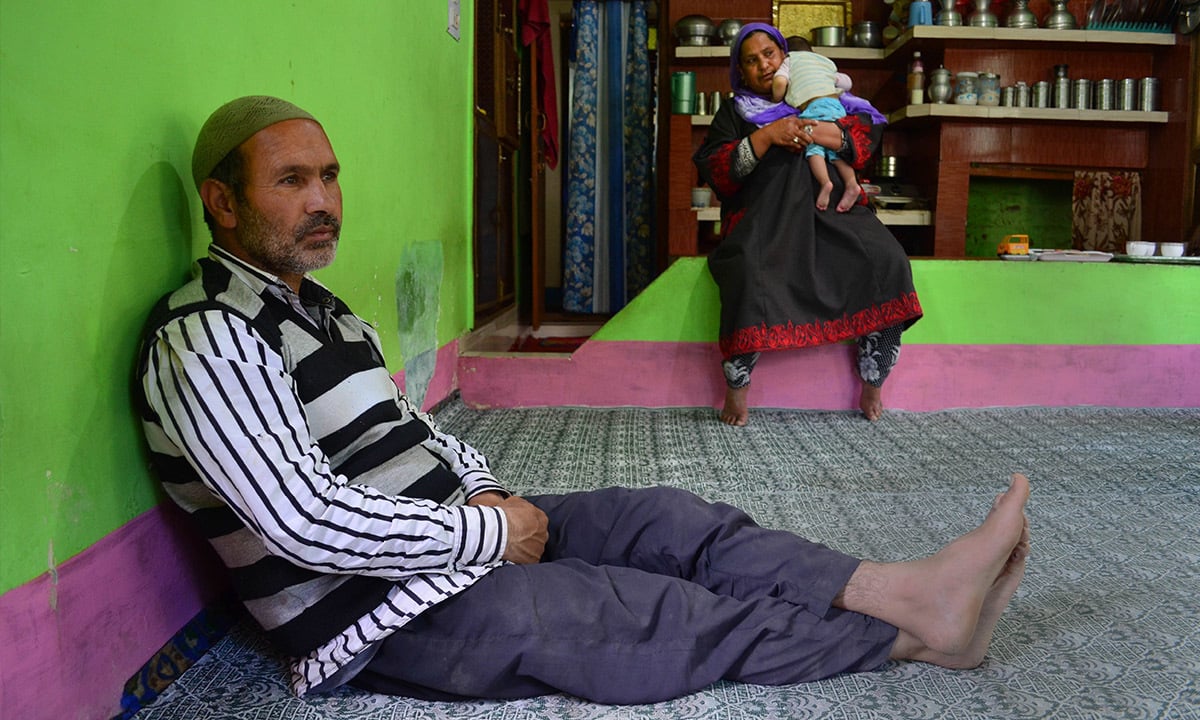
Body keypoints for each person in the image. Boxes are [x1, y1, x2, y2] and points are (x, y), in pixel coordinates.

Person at [136, 95, 1030, 705]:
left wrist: (484, 493)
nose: (323, 201)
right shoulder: (206, 335)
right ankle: (915, 639)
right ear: (221, 202)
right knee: (640, 614)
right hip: (377, 618)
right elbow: (303, 521)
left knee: (671, 524)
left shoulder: (323, 312)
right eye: (291, 182)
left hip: (454, 533)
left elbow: (418, 434)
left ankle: (902, 591)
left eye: (328, 176)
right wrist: (490, 534)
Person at [694, 24, 923, 426]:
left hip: (832, 212)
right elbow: (719, 170)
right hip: (766, 219)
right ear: (741, 71)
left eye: (770, 53)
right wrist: (767, 135)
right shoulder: (735, 112)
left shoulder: (819, 95)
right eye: (751, 60)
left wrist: (813, 129)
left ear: (785, 56)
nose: (764, 64)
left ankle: (874, 377)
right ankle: (737, 387)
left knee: (887, 261)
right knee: (747, 271)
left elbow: (863, 140)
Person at [771, 48, 862, 212]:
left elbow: (780, 83)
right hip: (837, 108)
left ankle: (825, 183)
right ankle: (852, 184)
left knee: (814, 148)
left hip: (815, 108)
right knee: (836, 151)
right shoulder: (824, 61)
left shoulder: (790, 61)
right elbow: (846, 82)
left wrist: (775, 98)